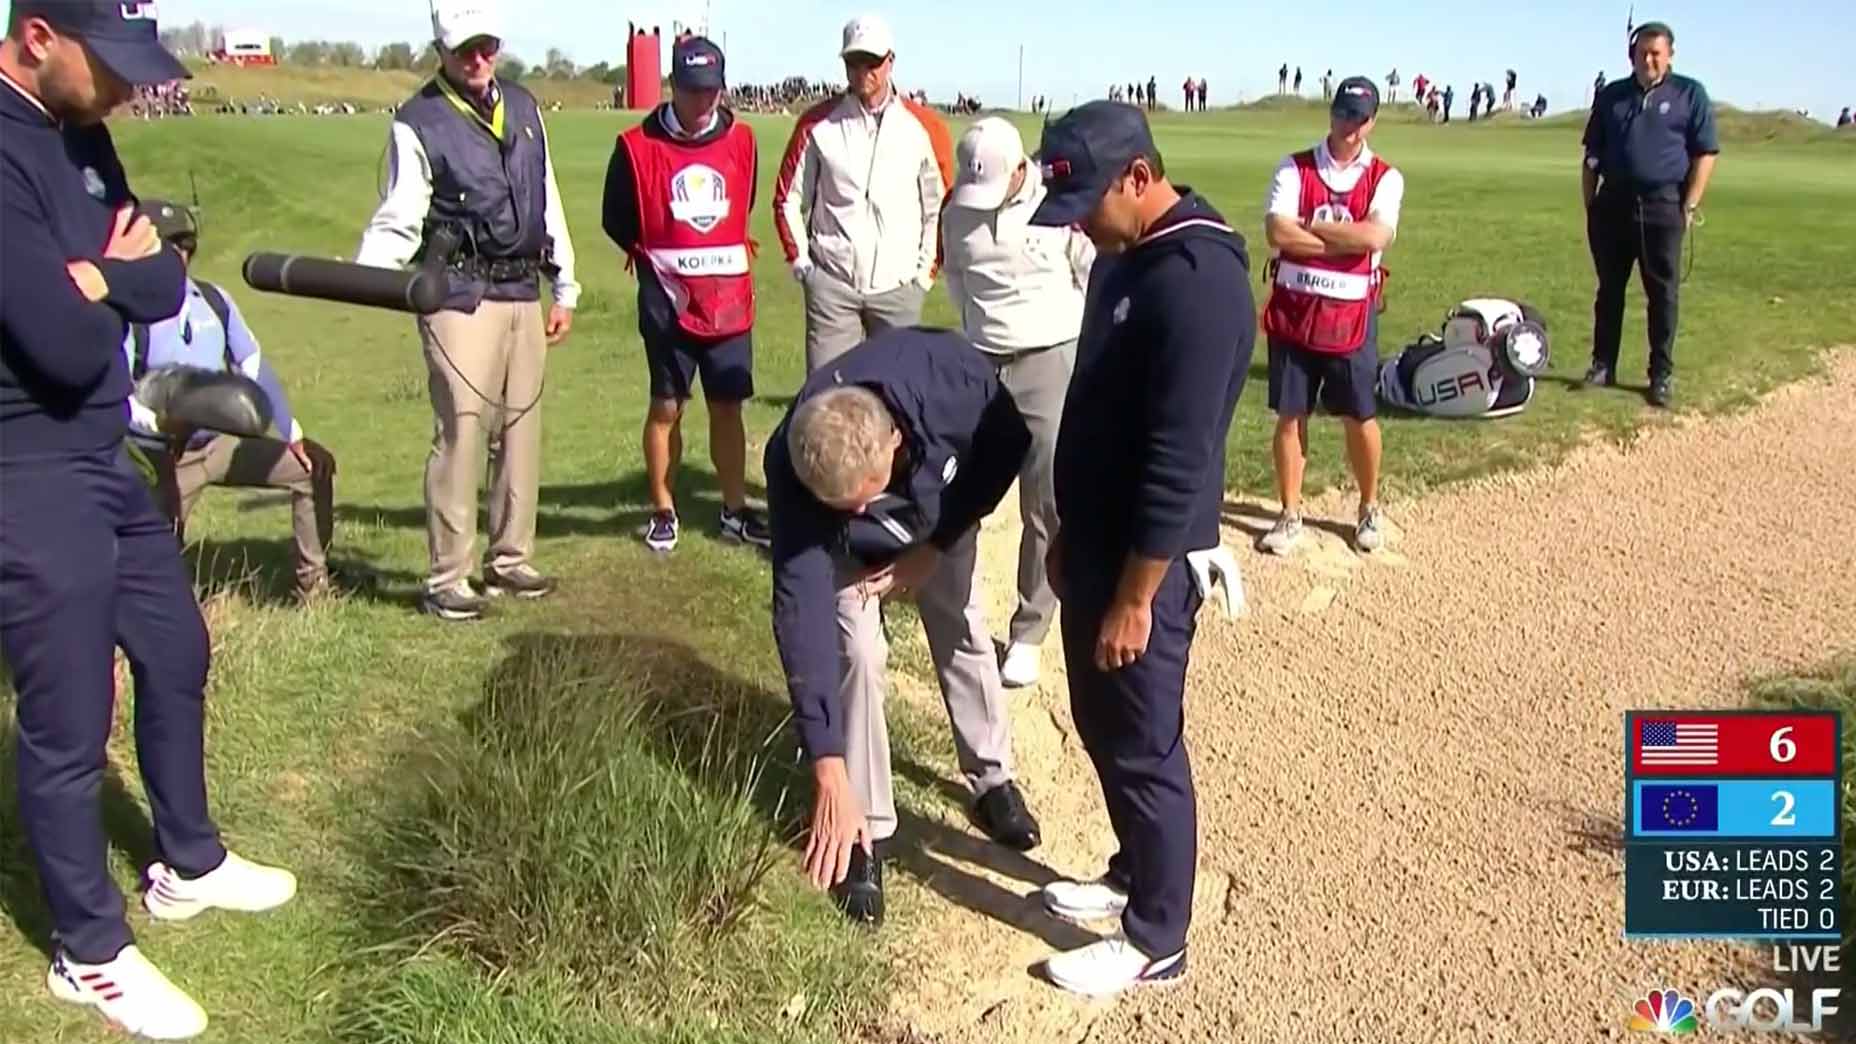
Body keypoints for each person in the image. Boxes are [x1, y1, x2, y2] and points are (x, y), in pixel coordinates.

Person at [0, 4, 298, 1039]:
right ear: (39, 36)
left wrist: (103, 278)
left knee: (176, 648)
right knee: (68, 716)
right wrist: (107, 284)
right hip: (26, 467)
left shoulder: (83, 135)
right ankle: (87, 950)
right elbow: (63, 347)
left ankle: (188, 862)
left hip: (100, 453)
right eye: (114, 65)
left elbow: (165, 279)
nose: (133, 88)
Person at [1024, 100, 1254, 997]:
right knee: (1102, 722)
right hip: (1097, 543)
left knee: (1144, 744)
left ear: (1140, 177)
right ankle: (1132, 872)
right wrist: (1069, 531)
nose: (1077, 224)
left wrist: (1134, 596)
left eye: (1086, 202)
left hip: (1144, 565)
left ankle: (1159, 936)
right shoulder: (1125, 253)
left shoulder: (1197, 281)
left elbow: (1176, 458)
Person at [768, 326, 1045, 927]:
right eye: (846, 505)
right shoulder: (795, 461)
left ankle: (992, 778)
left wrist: (937, 545)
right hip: (845, 545)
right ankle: (863, 828)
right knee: (855, 652)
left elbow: (1006, 448)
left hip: (938, 511)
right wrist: (825, 763)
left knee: (959, 619)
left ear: (894, 439)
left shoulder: (954, 380)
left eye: (863, 497)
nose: (861, 512)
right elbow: (800, 611)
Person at [355, 0, 580, 621]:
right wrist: (365, 275)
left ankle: (510, 559)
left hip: (522, 290)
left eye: (487, 47)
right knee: (461, 428)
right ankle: (448, 577)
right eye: (464, 50)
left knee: (521, 430)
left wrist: (564, 285)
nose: (479, 59)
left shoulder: (526, 107)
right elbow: (400, 216)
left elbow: (546, 199)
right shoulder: (417, 122)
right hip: (458, 294)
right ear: (441, 53)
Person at [940, 117, 1095, 690]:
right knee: (959, 489)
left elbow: (1090, 273)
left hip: (1048, 357)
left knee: (1044, 499)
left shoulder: (1060, 206)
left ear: (1021, 170)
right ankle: (956, 610)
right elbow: (957, 277)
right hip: (982, 360)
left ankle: (1029, 631)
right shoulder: (959, 208)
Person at [602, 36, 770, 555]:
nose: (703, 101)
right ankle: (663, 510)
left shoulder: (743, 141)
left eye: (712, 90)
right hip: (667, 302)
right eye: (693, 90)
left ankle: (734, 511)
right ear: (673, 85)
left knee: (728, 406)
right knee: (666, 407)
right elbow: (617, 219)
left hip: (729, 300)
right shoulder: (634, 146)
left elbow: (742, 203)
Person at [123, 200, 339, 602]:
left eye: (186, 244)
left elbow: (253, 363)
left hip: (219, 443)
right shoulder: (127, 312)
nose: (179, 254)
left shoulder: (214, 300)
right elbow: (116, 395)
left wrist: (293, 434)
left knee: (311, 468)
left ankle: (316, 588)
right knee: (155, 555)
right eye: (168, 245)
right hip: (162, 455)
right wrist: (158, 428)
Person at [1256, 76, 1405, 556]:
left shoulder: (1385, 177)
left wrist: (1310, 228)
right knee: (1290, 415)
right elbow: (1277, 232)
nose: (1350, 127)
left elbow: (1375, 238)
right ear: (1331, 113)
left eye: (1359, 119)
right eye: (1343, 115)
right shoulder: (1294, 167)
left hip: (1351, 315)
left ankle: (1369, 506)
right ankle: (1289, 512)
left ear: (1372, 121)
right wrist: (1343, 241)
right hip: (1295, 312)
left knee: (1360, 416)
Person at [774, 14, 953, 373]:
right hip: (832, 287)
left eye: (872, 62)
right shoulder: (816, 124)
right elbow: (788, 198)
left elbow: (939, 208)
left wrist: (923, 276)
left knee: (899, 394)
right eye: (853, 62)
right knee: (827, 396)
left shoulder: (924, 127)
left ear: (890, 61)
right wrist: (804, 266)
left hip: (899, 288)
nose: (862, 72)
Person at [1580, 20, 1719, 408]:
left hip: (1663, 207)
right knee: (1609, 290)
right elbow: (1591, 154)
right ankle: (1602, 365)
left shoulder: (1689, 94)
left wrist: (1689, 204)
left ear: (1670, 55)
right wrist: (1591, 206)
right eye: (1642, 53)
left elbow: (1705, 153)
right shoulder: (1612, 96)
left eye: (1656, 53)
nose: (1648, 60)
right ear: (1632, 55)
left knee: (1662, 295)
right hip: (1613, 206)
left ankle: (1660, 375)